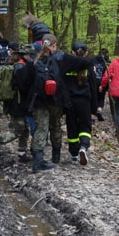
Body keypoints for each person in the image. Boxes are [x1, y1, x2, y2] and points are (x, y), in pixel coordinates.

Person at [27, 34, 94, 173]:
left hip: (38, 100)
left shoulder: (33, 60)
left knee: (41, 128)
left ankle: (38, 160)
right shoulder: (61, 58)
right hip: (56, 100)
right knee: (55, 126)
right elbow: (85, 62)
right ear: (54, 45)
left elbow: (26, 82)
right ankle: (55, 157)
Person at [0, 45, 36, 162]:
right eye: (30, 55)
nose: (32, 58)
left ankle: (22, 154)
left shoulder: (17, 65)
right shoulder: (20, 67)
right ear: (25, 55)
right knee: (18, 129)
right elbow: (23, 86)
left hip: (17, 103)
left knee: (25, 129)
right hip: (17, 104)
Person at [62, 42, 99, 165]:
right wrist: (95, 107)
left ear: (72, 52)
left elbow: (62, 85)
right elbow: (94, 88)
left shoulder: (67, 66)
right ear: (86, 53)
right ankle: (83, 147)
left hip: (70, 102)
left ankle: (74, 154)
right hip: (84, 102)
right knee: (85, 127)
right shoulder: (89, 68)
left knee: (72, 127)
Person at [91, 48, 110, 117]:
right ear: (107, 54)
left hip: (93, 82)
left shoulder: (93, 60)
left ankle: (92, 115)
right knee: (101, 98)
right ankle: (99, 110)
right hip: (103, 82)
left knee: (93, 97)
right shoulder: (108, 62)